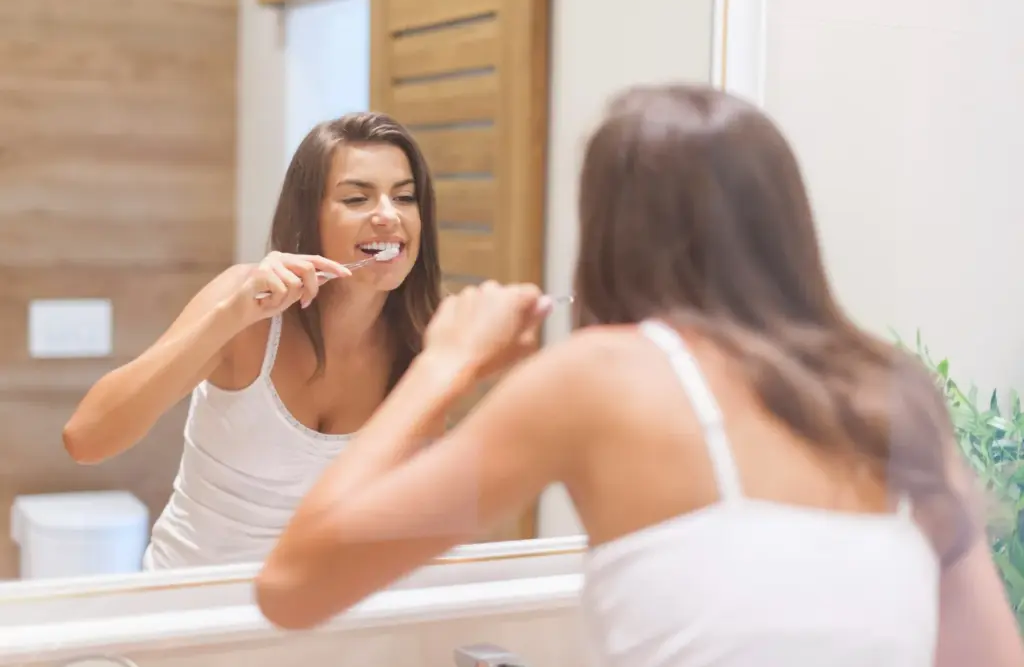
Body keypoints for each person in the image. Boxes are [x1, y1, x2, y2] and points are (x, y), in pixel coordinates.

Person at [254, 85, 1024, 666]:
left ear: (611, 232)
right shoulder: (895, 390)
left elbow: (292, 583)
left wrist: (445, 364)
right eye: (357, 196)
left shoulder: (597, 381)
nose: (386, 215)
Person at [62, 112, 443, 569]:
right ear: (309, 217)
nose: (388, 215)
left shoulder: (426, 345)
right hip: (192, 608)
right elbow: (86, 440)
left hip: (318, 616)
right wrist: (229, 317)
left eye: (404, 197)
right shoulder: (242, 304)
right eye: (357, 198)